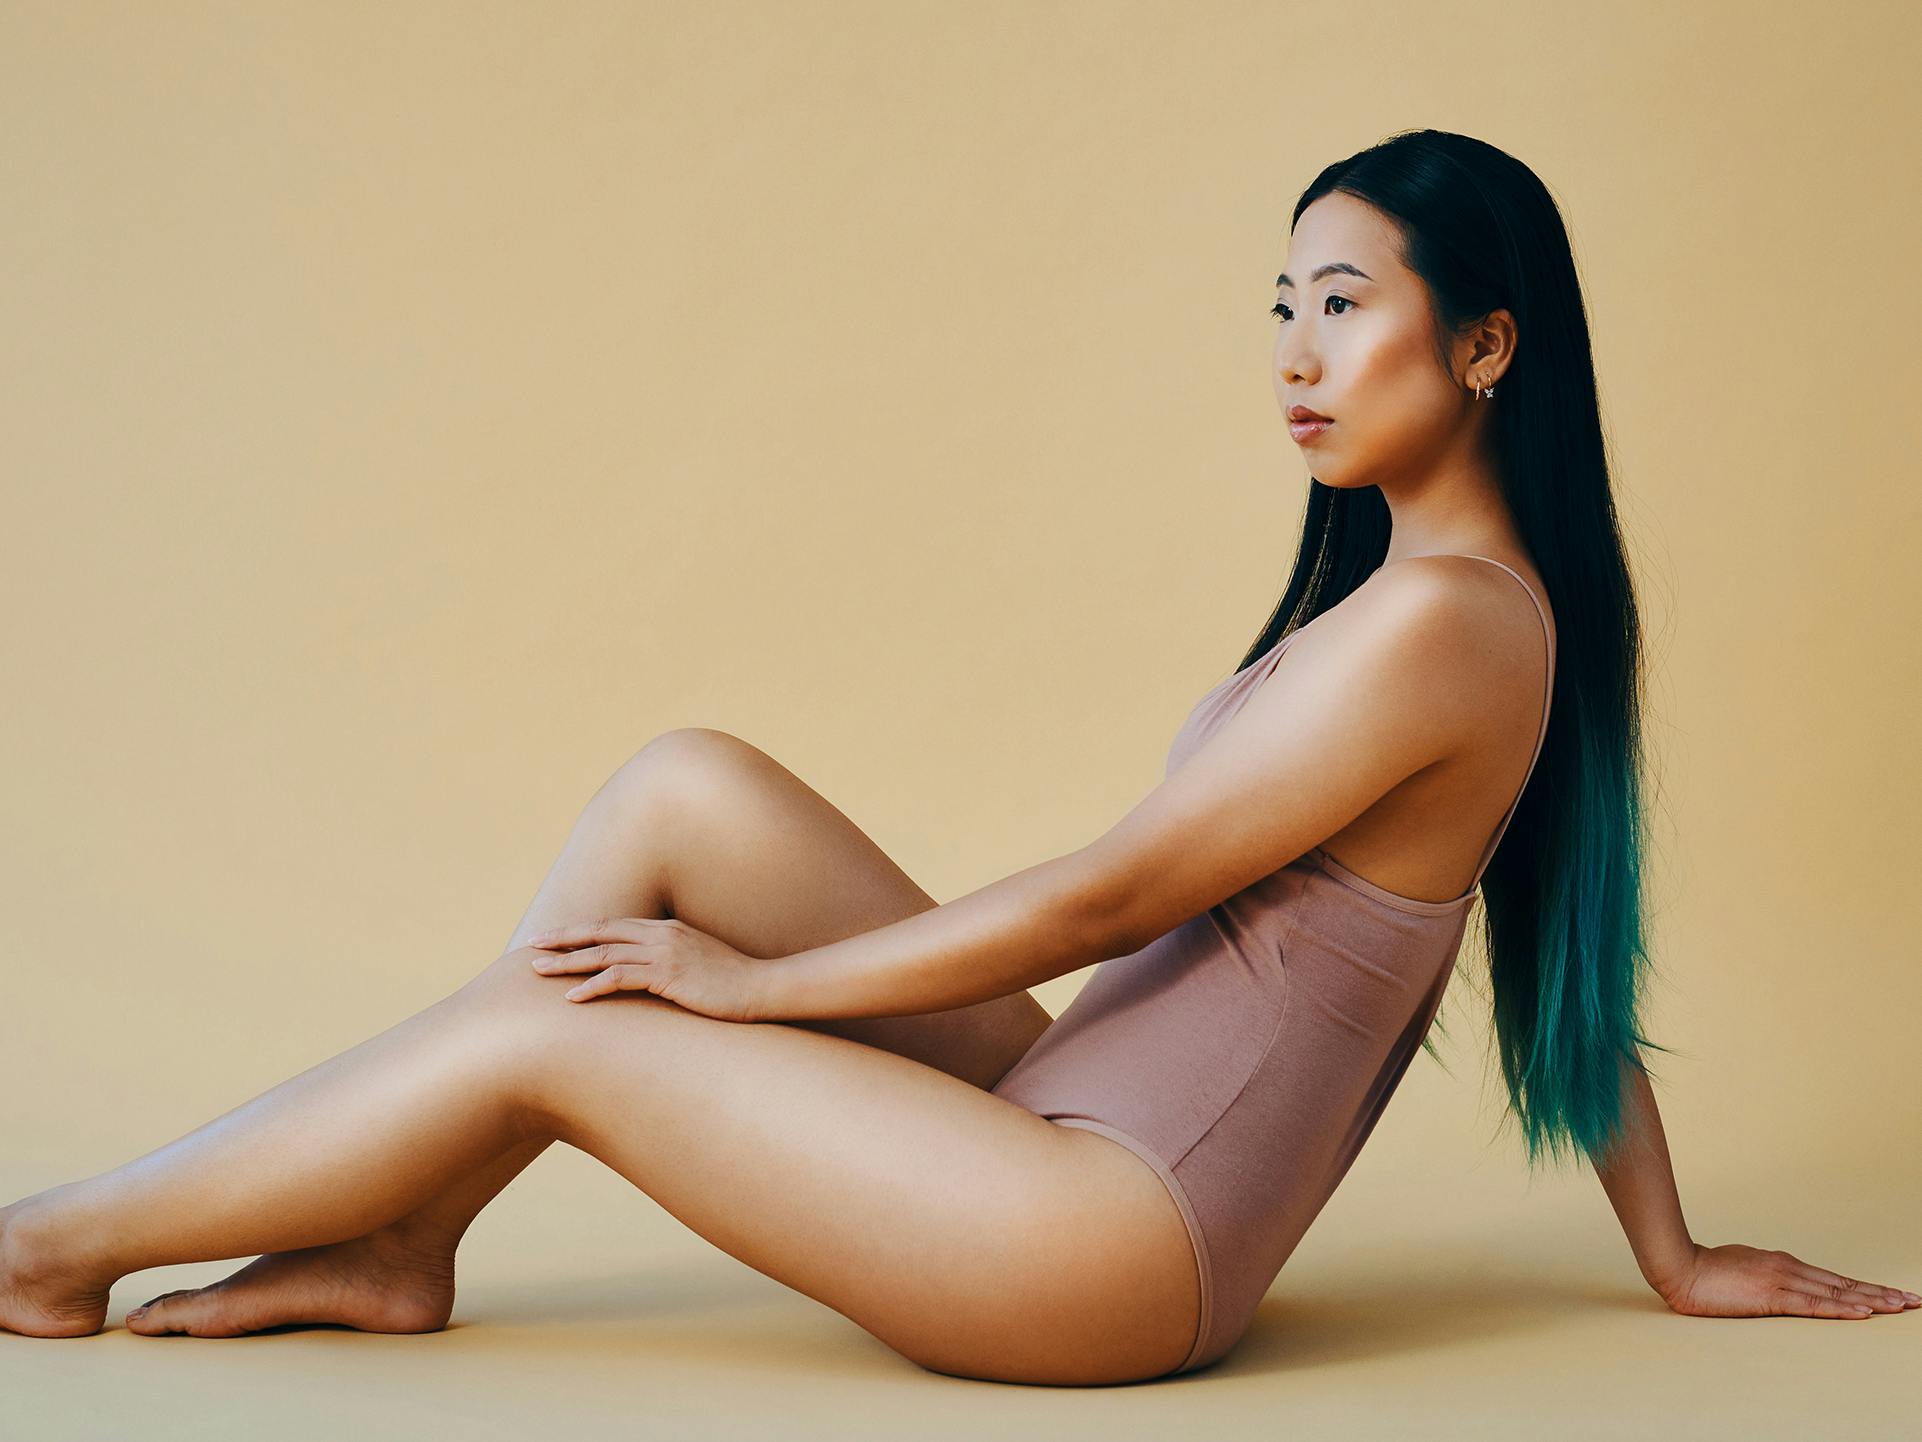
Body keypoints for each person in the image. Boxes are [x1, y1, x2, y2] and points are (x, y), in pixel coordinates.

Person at [1, 129, 1913, 1382]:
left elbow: (1112, 892)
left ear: (1484, 344)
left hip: (1110, 1245)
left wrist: (752, 990)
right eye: (1279, 312)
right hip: (1078, 1120)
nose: (1295, 357)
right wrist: (1666, 1252)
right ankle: (405, 1239)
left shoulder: (1446, 626)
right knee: (686, 783)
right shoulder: (1447, 604)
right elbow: (1560, 932)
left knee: (558, 1021)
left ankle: (51, 1244)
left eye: (1346, 307)